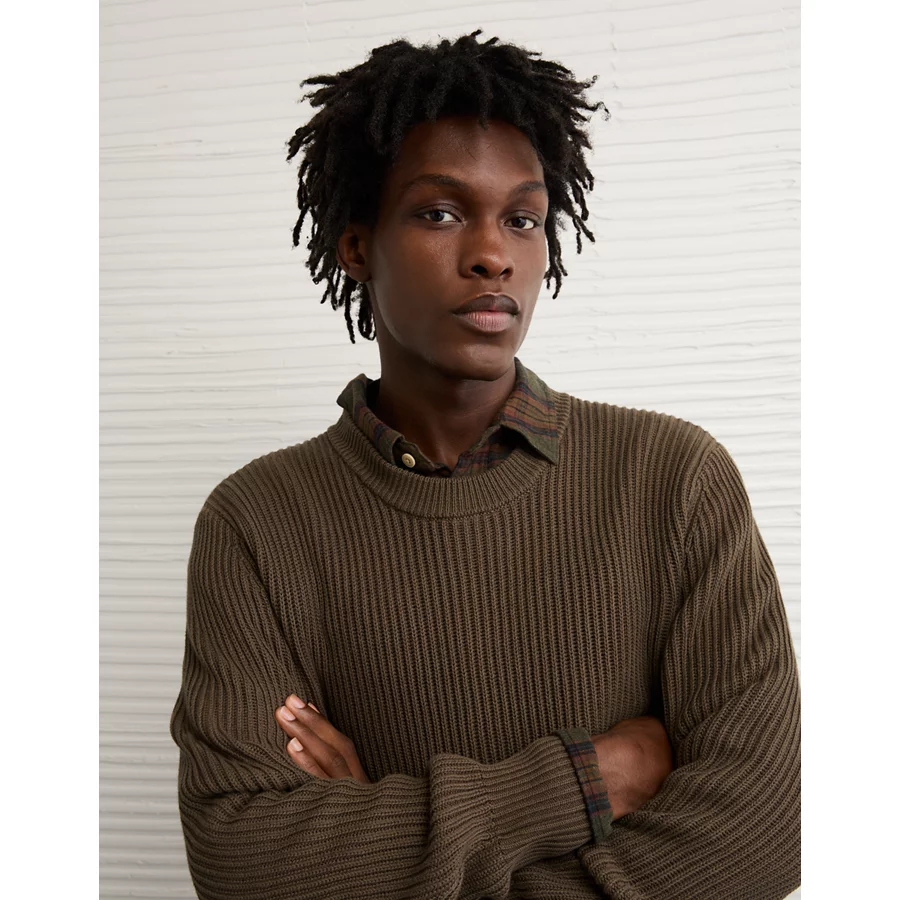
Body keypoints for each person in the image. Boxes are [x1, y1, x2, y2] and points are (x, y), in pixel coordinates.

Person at [170, 29, 800, 900]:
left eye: (523, 219)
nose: (492, 253)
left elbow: (762, 837)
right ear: (356, 246)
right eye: (439, 212)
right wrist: (582, 782)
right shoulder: (258, 521)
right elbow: (242, 857)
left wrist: (385, 845)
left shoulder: (671, 480)